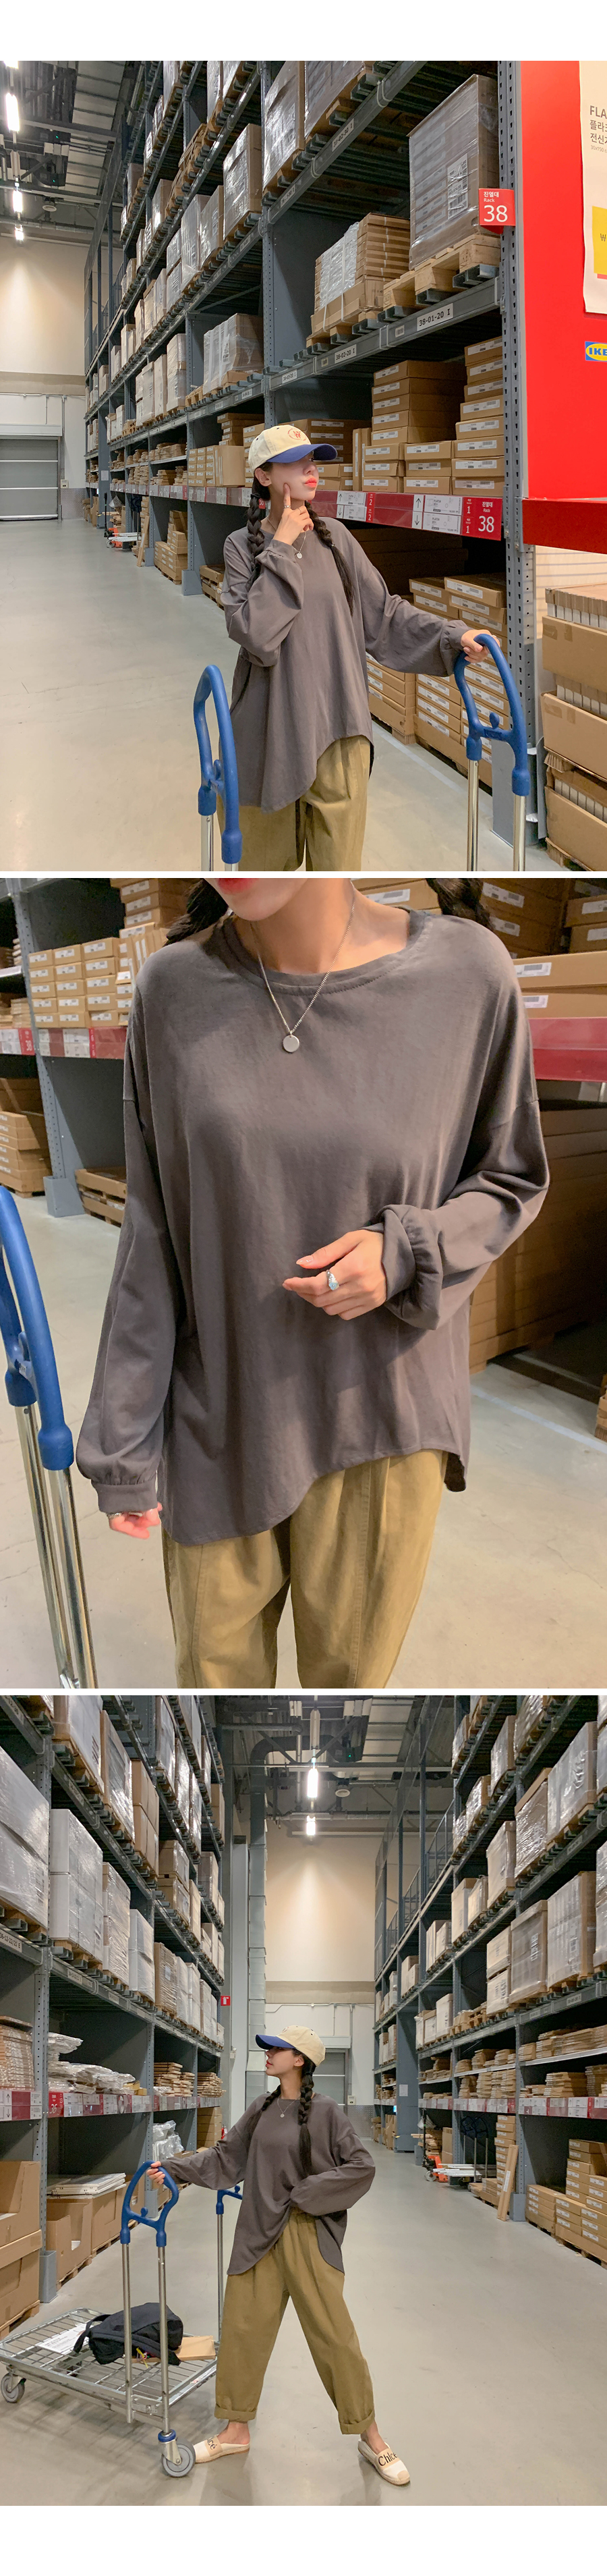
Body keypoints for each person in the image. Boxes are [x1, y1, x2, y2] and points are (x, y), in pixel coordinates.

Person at [76, 876, 550, 1689]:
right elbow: (152, 1233)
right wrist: (124, 1439)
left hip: (382, 1420)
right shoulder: (173, 989)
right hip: (220, 1417)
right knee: (215, 1682)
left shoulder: (468, 975)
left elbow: (511, 1178)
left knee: (347, 1695)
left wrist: (404, 1251)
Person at [220, 424, 489, 871]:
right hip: (268, 733)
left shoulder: (338, 539)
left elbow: (383, 615)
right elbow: (256, 635)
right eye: (295, 462)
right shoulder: (240, 549)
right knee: (269, 880)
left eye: (312, 460)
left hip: (339, 727)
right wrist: (282, 546)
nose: (310, 469)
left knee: (335, 878)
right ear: (264, 476)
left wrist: (450, 635)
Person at [148, 2025, 409, 2486]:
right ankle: (235, 2429)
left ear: (300, 2060)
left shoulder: (327, 2113)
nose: (268, 2054)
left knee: (335, 2339)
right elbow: (226, 2159)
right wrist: (176, 2167)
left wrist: (308, 2193)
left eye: (277, 2049)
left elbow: (361, 2167)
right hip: (257, 2234)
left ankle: (371, 2436)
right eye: (268, 2048)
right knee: (242, 2332)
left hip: (308, 2238)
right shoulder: (261, 2109)